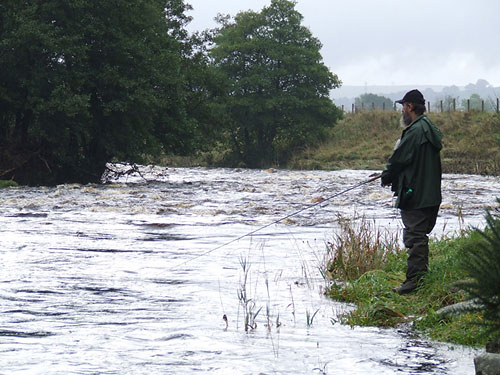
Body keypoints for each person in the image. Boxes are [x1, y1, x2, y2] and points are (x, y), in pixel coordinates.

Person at [381, 89, 443, 295]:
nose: (402, 112)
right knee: (420, 236)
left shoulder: (415, 131)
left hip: (415, 193)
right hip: (430, 193)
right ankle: (419, 280)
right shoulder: (428, 127)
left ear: (410, 107)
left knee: (415, 238)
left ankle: (414, 283)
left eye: (403, 107)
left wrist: (386, 176)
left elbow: (399, 159)